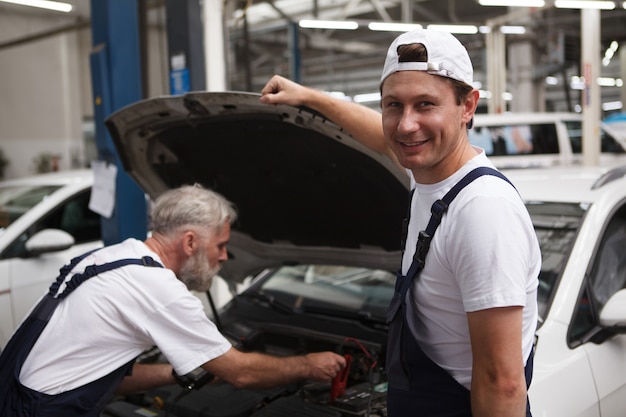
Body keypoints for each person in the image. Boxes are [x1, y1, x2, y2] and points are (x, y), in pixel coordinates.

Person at [260, 28, 540, 417]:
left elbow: (502, 383)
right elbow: (382, 136)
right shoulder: (430, 174)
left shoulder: (482, 211)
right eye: (394, 105)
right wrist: (309, 97)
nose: (407, 125)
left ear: (468, 106)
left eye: (426, 104)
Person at [0, 184, 346, 416]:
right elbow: (241, 373)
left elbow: (103, 374)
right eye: (220, 246)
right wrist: (308, 365)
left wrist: (178, 374)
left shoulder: (108, 257)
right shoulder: (159, 290)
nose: (224, 257)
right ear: (191, 242)